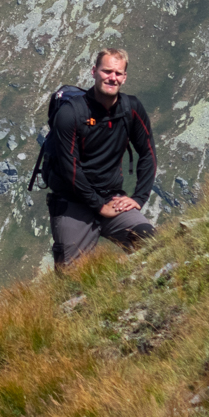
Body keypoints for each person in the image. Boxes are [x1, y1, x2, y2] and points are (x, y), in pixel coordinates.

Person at [45, 48, 157, 268]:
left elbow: (148, 153)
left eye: (118, 73)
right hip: (73, 202)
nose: (112, 78)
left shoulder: (131, 109)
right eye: (107, 71)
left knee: (152, 243)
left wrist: (139, 198)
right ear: (94, 72)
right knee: (72, 276)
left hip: (112, 198)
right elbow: (70, 168)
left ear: (124, 77)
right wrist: (99, 206)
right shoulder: (70, 113)